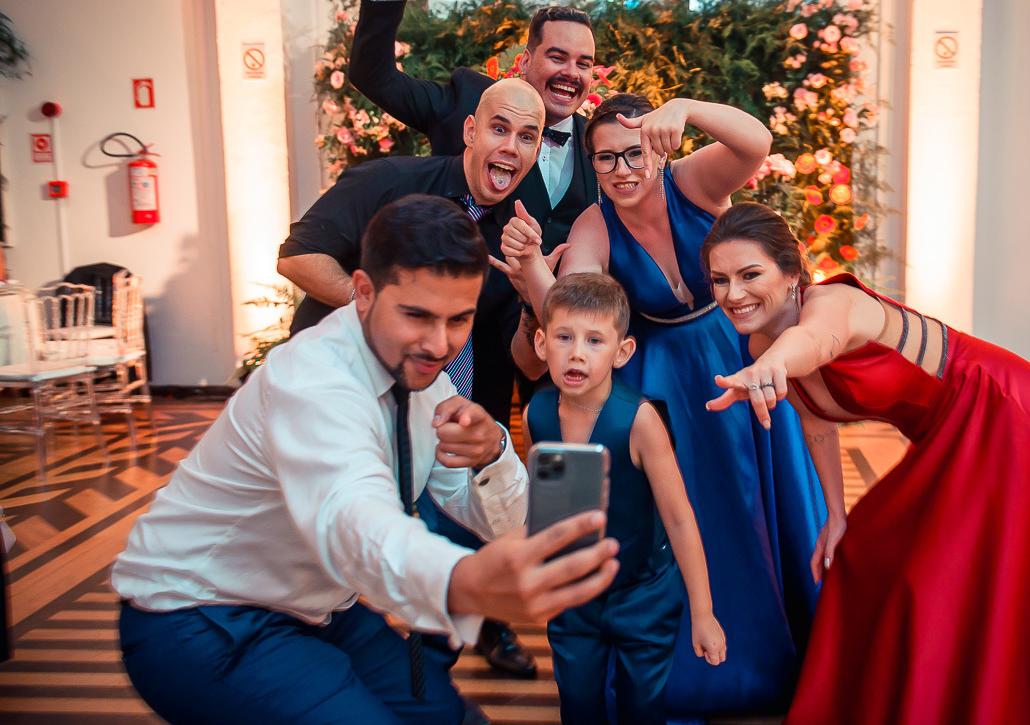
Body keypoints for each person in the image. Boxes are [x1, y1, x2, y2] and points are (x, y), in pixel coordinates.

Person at [111, 196, 620, 725]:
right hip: (196, 613)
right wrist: (461, 581)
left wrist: (493, 455)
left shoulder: (428, 383)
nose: (438, 344)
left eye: (458, 319)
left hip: (321, 608)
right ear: (363, 292)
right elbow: (351, 518)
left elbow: (505, 524)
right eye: (416, 315)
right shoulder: (312, 380)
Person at [702, 202, 1030, 725]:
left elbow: (814, 342)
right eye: (720, 280)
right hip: (947, 435)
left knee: (946, 580)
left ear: (791, 273)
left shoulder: (833, 304)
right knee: (862, 552)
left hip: (1008, 413)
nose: (733, 294)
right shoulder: (760, 342)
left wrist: (769, 367)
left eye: (749, 275)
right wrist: (835, 514)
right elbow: (816, 423)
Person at [501, 94, 841, 716]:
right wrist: (529, 267)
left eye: (633, 153)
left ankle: (798, 649)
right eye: (606, 159)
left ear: (656, 148)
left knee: (764, 498)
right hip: (667, 377)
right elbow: (572, 307)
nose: (622, 169)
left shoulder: (693, 180)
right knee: (696, 507)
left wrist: (685, 107)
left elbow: (756, 143)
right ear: (593, 165)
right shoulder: (594, 226)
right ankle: (704, 660)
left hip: (739, 344)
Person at [278, 78, 548, 679]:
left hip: (456, 404)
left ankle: (458, 640)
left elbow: (526, 358)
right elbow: (298, 256)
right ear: (470, 131)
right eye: (499, 128)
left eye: (527, 136)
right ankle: (316, 636)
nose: (511, 146)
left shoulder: (522, 228)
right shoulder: (389, 182)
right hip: (354, 397)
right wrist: (387, 319)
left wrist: (532, 288)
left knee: (467, 526)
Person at [524, 272, 726, 725]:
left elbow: (679, 519)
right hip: (574, 592)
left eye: (595, 340)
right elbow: (541, 507)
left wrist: (703, 613)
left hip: (644, 592)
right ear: (541, 343)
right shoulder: (536, 415)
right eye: (564, 337)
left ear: (622, 351)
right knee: (577, 704)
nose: (577, 353)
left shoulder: (640, 421)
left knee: (642, 707)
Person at [348, 0, 596, 255]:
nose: (571, 73)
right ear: (525, 61)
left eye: (584, 64)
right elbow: (374, 77)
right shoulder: (467, 99)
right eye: (557, 58)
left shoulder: (598, 141)